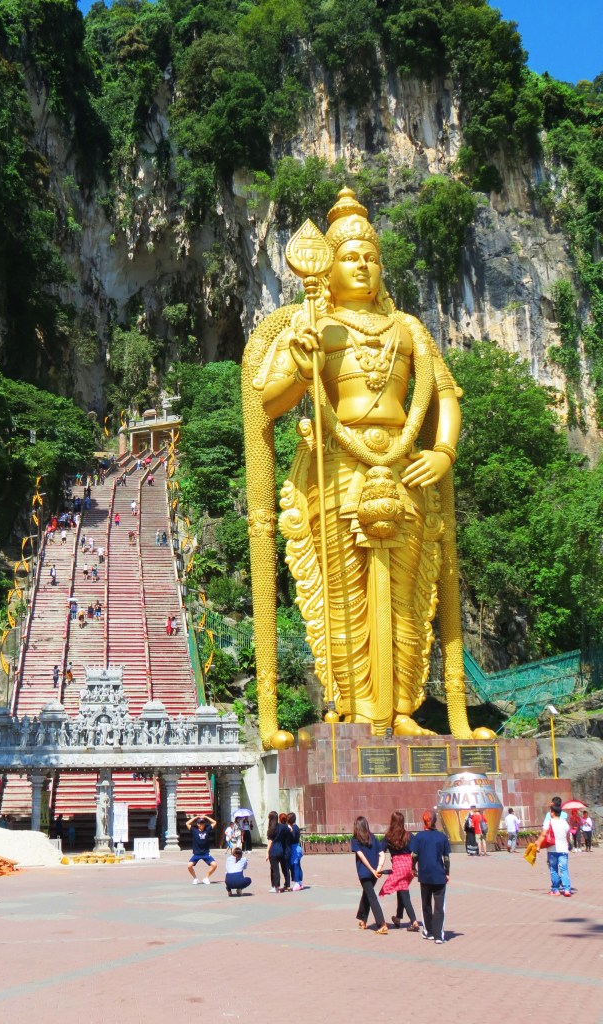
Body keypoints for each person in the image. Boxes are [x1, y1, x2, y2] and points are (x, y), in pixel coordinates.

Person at [243, 187, 486, 744]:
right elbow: (266, 403)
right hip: (338, 468)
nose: (363, 265)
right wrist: (303, 369)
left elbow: (445, 396)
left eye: (370, 256)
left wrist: (442, 451)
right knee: (345, 593)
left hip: (403, 467)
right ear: (327, 268)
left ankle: (401, 710)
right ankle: (353, 709)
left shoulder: (409, 330)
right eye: (350, 256)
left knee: (407, 594)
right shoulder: (313, 327)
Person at [410, 810, 450, 943]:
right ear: (435, 821)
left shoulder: (419, 837)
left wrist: (412, 868)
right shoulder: (442, 837)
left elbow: (414, 856)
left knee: (426, 904)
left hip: (425, 875)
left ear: (424, 821)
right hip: (439, 875)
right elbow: (446, 858)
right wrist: (447, 872)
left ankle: (429, 931)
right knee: (439, 906)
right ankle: (439, 936)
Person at [380, 810, 418, 930]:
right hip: (409, 866)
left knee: (404, 893)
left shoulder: (388, 836)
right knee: (401, 889)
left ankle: (414, 921)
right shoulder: (409, 835)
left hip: (398, 866)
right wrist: (414, 867)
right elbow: (416, 850)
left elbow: (380, 850)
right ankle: (398, 917)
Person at [351, 815, 387, 933]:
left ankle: (381, 924)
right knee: (367, 893)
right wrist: (378, 868)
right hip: (374, 873)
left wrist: (372, 869)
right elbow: (382, 854)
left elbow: (361, 856)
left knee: (371, 896)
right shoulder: (373, 838)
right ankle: (363, 919)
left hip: (365, 873)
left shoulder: (355, 840)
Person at [537, 802, 573, 896]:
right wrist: (568, 844)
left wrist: (538, 845)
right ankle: (567, 889)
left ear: (552, 812)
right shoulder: (564, 822)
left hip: (552, 849)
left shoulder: (549, 822)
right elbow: (568, 834)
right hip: (563, 849)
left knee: (554, 869)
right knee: (564, 869)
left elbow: (544, 834)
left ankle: (555, 890)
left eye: (550, 811)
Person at [186, 814, 217, 884]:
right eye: (200, 823)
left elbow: (214, 822)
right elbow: (187, 823)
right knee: (189, 866)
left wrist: (205, 817)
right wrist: (195, 818)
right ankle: (195, 878)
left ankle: (206, 878)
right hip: (197, 853)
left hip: (205, 853)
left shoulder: (207, 829)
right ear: (197, 824)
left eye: (203, 823)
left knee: (214, 865)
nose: (202, 824)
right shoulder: (194, 830)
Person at [267, 811, 293, 893]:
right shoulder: (282, 827)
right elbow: (290, 829)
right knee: (284, 868)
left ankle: (276, 886)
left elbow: (270, 842)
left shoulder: (271, 828)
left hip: (273, 850)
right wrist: (290, 827)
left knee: (274, 869)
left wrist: (267, 853)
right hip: (281, 850)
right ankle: (287, 884)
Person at [288, 811, 304, 891]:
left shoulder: (293, 828)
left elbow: (293, 837)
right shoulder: (296, 827)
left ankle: (297, 882)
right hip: (297, 847)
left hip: (294, 848)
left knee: (295, 865)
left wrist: (289, 832)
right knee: (298, 865)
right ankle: (300, 882)